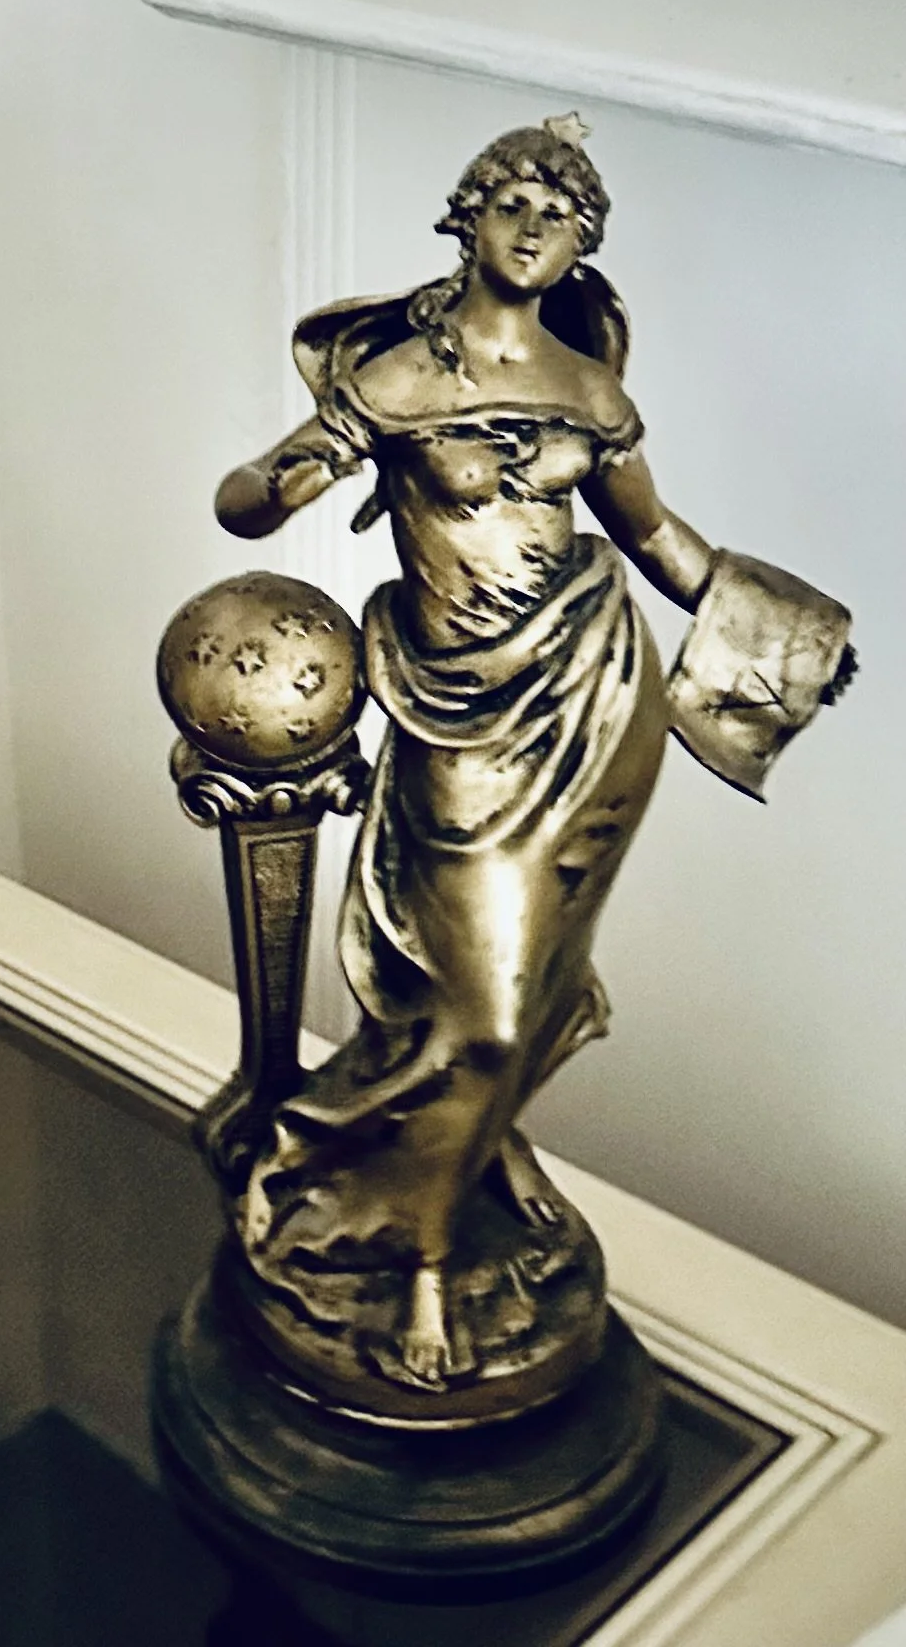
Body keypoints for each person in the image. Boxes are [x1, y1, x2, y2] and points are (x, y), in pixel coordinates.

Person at [212, 116, 840, 1394]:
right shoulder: (394, 378)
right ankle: (418, 1219)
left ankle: (452, 1206)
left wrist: (790, 633)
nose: (534, 225)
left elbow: (658, 544)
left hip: (590, 696)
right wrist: (294, 465)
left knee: (535, 982)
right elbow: (240, 506)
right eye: (514, 200)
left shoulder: (587, 391)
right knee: (479, 1012)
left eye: (562, 213)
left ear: (580, 246)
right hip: (456, 714)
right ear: (468, 215)